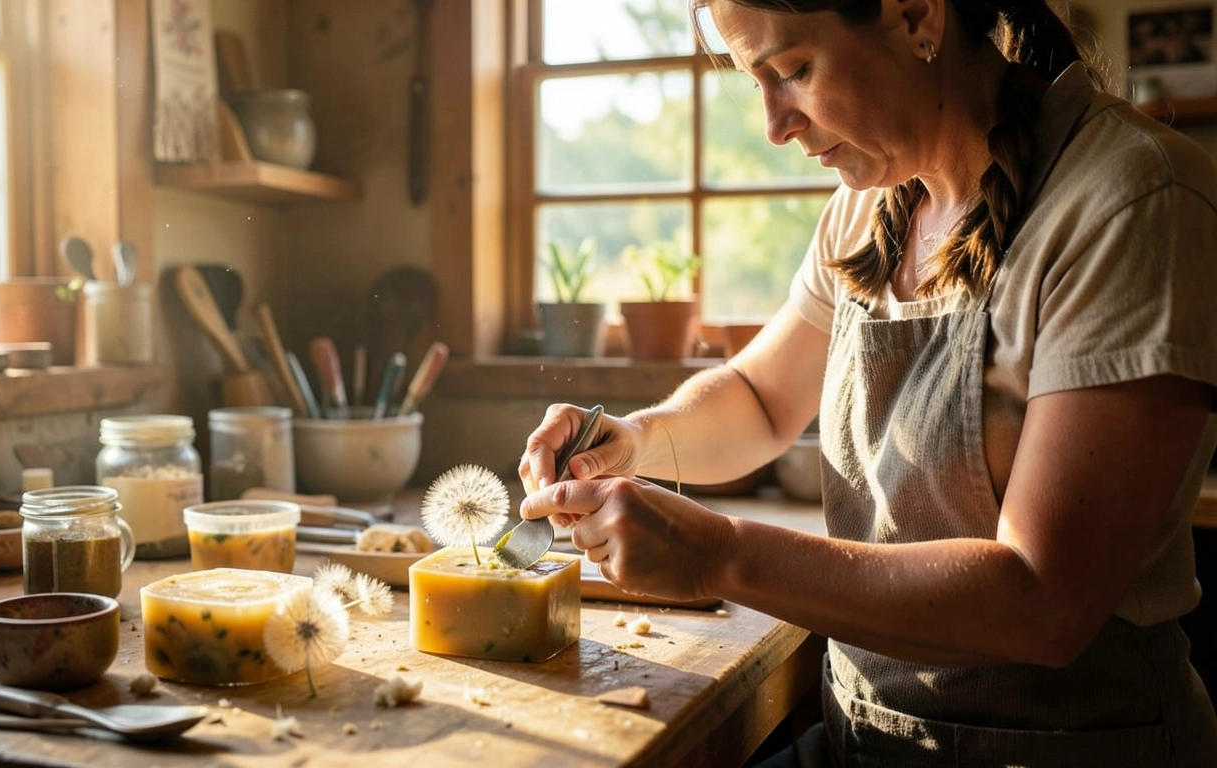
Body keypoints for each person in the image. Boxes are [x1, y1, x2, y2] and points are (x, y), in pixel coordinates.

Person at [516, 0, 1217, 764]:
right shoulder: (869, 209)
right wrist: (636, 440)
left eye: (792, 72)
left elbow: (1043, 603)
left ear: (916, 16)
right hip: (864, 742)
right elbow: (758, 398)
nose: (774, 126)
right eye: (758, 83)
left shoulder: (1132, 197)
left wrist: (718, 556)